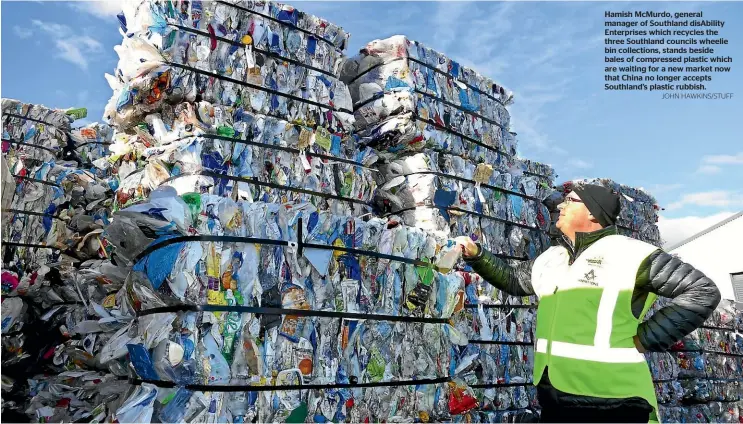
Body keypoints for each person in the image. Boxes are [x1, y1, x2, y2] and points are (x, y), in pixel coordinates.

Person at [455, 183, 721, 423]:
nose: (561, 205)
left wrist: (647, 338)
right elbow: (514, 280)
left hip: (612, 401)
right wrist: (478, 256)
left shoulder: (631, 253)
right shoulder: (553, 258)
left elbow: (702, 291)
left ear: (594, 212)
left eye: (570, 200)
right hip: (556, 395)